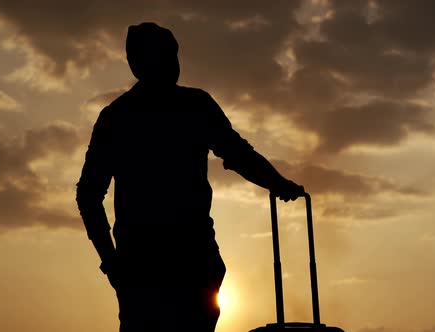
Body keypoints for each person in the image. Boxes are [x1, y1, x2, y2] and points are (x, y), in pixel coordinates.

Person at [76, 22, 305, 332]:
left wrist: (276, 182)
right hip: (161, 263)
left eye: (173, 56)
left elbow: (238, 153)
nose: (173, 65)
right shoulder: (179, 108)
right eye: (166, 57)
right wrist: (112, 263)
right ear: (141, 63)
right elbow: (88, 195)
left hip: (169, 262)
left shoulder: (122, 116)